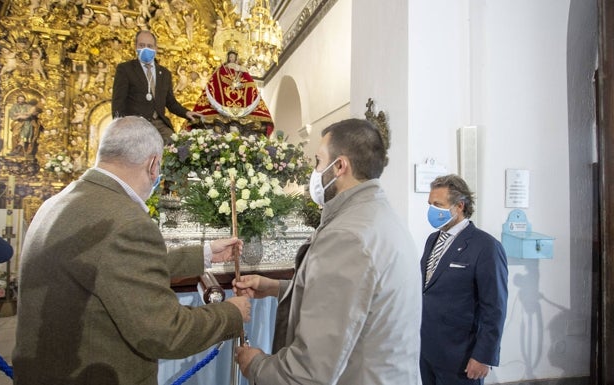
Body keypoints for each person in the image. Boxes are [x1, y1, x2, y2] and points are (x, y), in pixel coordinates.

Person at [13, 116, 251, 385]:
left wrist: (205, 253)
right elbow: (166, 332)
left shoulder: (57, 202)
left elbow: (110, 265)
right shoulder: (126, 220)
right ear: (152, 164)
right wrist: (231, 313)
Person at [233, 118, 421, 384]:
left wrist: (257, 365)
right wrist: (277, 287)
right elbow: (356, 303)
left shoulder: (347, 235)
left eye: (319, 161)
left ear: (340, 166)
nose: (316, 171)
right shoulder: (379, 216)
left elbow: (309, 370)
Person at [419, 174, 508, 385]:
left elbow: (494, 307)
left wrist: (484, 356)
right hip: (428, 351)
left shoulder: (485, 247)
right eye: (430, 204)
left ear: (459, 206)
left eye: (438, 205)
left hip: (461, 356)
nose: (432, 210)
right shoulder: (433, 240)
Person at [112, 30, 201, 143]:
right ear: (135, 47)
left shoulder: (164, 73)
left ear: (155, 48)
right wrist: (119, 126)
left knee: (174, 145)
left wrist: (186, 113)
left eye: (149, 46)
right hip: (136, 124)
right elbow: (118, 102)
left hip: (159, 124)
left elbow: (171, 102)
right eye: (142, 45)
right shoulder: (125, 69)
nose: (146, 49)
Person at [192, 50, 274, 136]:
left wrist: (240, 75)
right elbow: (215, 80)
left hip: (242, 98)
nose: (231, 58)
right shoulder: (222, 68)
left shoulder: (241, 69)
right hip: (222, 99)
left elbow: (249, 84)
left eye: (233, 57)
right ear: (227, 58)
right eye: (230, 57)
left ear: (236, 58)